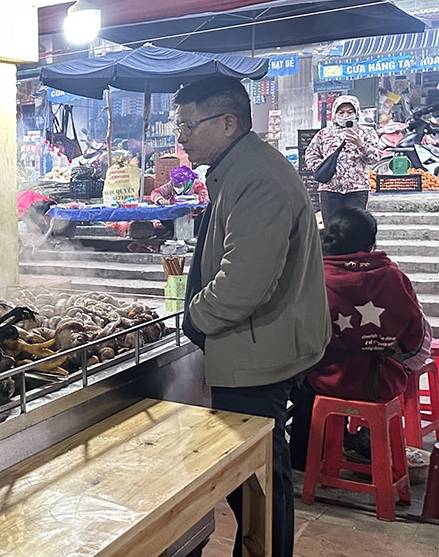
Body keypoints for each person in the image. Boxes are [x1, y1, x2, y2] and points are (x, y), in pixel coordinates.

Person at [174, 76, 330, 557]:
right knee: (254, 476)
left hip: (258, 348)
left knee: (259, 478)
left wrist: (196, 319)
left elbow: (244, 283)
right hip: (254, 342)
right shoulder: (236, 168)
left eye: (187, 125)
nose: (180, 137)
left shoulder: (255, 176)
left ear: (227, 123)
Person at [288, 207, 431, 469]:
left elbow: (298, 336)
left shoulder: (313, 277)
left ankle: (304, 458)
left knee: (297, 383)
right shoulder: (394, 276)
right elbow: (415, 338)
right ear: (371, 242)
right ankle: (347, 441)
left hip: (326, 380)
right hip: (383, 381)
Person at [303, 95, 382, 224]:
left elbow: (376, 157)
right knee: (331, 228)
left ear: (356, 113)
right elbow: (310, 154)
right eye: (341, 112)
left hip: (357, 189)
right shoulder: (324, 134)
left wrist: (360, 144)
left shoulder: (367, 133)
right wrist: (324, 168)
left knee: (355, 228)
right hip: (330, 189)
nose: (345, 115)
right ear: (334, 113)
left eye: (350, 112)